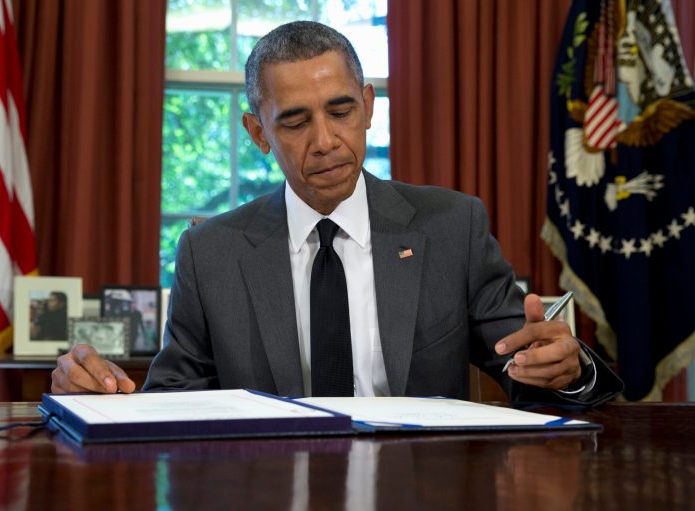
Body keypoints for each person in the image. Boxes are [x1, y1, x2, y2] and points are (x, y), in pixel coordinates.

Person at [52, 21, 622, 405]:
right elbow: (171, 401)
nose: (325, 141)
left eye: (341, 110)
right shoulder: (211, 253)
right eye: (295, 122)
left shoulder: (452, 225)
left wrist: (567, 370)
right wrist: (94, 395)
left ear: (369, 108)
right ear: (257, 133)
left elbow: (527, 365)